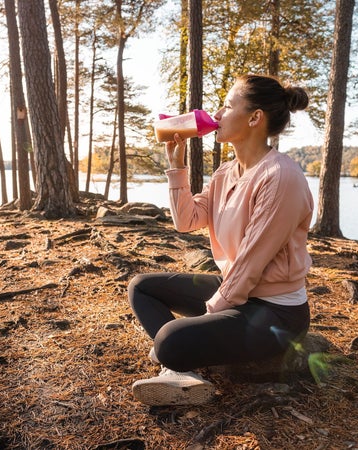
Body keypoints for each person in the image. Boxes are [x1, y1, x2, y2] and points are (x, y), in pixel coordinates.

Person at [129, 74, 313, 406]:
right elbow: (186, 221)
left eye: (228, 106)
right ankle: (180, 367)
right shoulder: (226, 173)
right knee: (141, 286)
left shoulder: (281, 178)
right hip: (237, 292)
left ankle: (176, 359)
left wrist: (207, 315)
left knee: (168, 339)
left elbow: (249, 265)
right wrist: (177, 168)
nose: (217, 113)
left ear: (255, 118)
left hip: (274, 311)